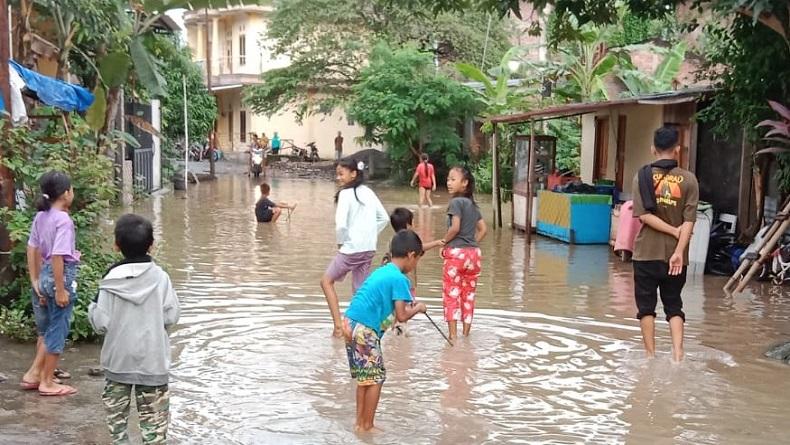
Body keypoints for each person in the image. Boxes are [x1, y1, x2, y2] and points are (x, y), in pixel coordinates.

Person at [88, 214, 180, 445]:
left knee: (118, 429)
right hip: (153, 363)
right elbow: (171, 316)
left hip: (118, 363)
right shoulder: (161, 278)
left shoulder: (109, 281)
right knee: (155, 431)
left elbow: (100, 323)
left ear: (116, 245)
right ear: (152, 245)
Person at [342, 230, 428, 433]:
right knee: (376, 378)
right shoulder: (400, 279)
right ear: (411, 255)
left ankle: (359, 424)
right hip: (365, 329)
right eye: (417, 260)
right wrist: (418, 308)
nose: (415, 265)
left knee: (365, 378)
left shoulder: (383, 270)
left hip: (350, 323)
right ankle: (368, 426)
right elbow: (402, 316)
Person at [631, 125, 699, 362]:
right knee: (674, 305)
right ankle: (678, 355)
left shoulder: (642, 176)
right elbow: (690, 222)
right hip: (675, 257)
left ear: (653, 149)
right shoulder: (689, 180)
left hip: (645, 254)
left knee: (646, 307)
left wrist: (670, 230)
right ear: (677, 150)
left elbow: (643, 216)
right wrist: (679, 249)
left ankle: (650, 355)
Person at [20, 171, 80, 397]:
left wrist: (36, 281)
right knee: (57, 329)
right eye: (71, 189)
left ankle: (38, 374)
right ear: (65, 194)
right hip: (58, 276)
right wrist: (61, 289)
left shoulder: (41, 216)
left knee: (45, 331)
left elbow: (32, 248)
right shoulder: (63, 220)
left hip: (42, 275)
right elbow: (58, 256)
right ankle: (46, 381)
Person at [321, 158, 389, 338]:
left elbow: (341, 225)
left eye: (341, 174)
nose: (339, 178)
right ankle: (360, 328)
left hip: (351, 248)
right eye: (337, 174)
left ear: (353, 173)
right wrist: (371, 235)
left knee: (326, 281)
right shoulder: (368, 191)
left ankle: (338, 326)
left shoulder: (345, 194)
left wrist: (341, 243)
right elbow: (384, 218)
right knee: (359, 291)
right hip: (368, 249)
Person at [440, 166, 487, 341]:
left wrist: (444, 243)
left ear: (465, 183)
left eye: (453, 179)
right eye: (448, 179)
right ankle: (466, 335)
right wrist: (471, 243)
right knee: (469, 296)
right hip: (474, 255)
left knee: (451, 295)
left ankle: (452, 336)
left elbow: (455, 227)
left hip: (456, 254)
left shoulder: (455, 203)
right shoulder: (473, 206)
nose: (449, 182)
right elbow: (483, 229)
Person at [383, 207, 444, 336]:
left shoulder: (394, 241)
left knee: (396, 309)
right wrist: (436, 243)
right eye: (413, 222)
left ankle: (395, 329)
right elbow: (420, 248)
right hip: (406, 284)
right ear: (408, 225)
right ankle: (400, 330)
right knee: (404, 310)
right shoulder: (408, 242)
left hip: (395, 284)